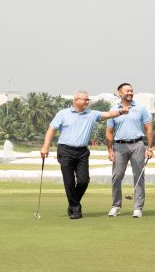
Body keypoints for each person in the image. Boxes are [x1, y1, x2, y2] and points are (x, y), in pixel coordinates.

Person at [40, 90, 130, 219]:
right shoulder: (63, 114)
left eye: (88, 100)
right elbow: (51, 129)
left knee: (83, 181)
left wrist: (121, 111)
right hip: (65, 150)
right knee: (69, 181)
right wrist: (45, 146)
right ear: (76, 100)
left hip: (82, 152)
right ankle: (76, 209)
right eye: (85, 99)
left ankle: (72, 204)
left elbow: (109, 114)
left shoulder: (92, 114)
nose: (87, 102)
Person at [106, 83, 153, 218]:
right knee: (117, 176)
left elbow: (149, 129)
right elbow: (109, 132)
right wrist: (110, 150)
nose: (130, 93)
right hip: (119, 146)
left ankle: (138, 207)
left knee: (139, 176)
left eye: (131, 91)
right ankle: (116, 205)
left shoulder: (140, 108)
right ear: (119, 93)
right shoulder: (114, 109)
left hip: (137, 144)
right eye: (127, 91)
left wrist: (149, 147)